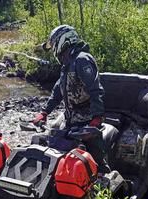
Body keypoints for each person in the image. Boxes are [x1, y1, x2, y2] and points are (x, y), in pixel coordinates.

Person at [33, 25, 110, 173]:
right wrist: (44, 112)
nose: (54, 48)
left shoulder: (82, 60)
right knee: (59, 156)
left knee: (97, 164)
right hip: (71, 121)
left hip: (88, 122)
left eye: (55, 44)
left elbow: (96, 90)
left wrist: (96, 118)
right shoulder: (67, 65)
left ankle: (105, 188)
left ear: (64, 41)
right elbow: (57, 92)